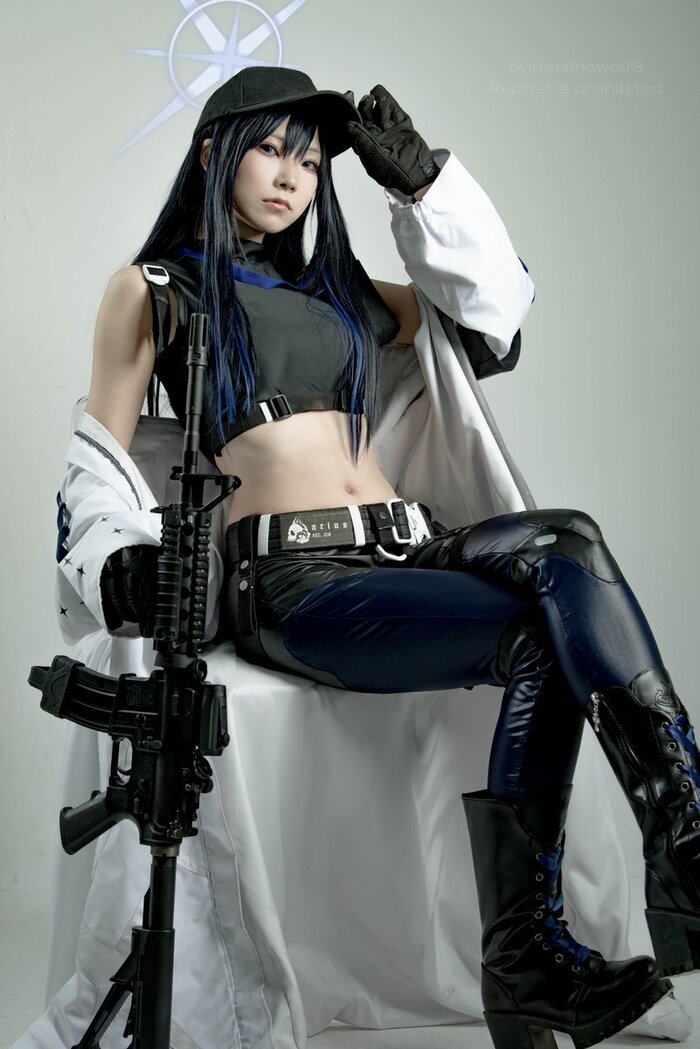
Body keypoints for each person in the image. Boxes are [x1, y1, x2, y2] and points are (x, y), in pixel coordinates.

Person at [76, 65, 700, 1049]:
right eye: (270, 149)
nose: (292, 174)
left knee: (567, 542)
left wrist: (424, 186)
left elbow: (494, 318)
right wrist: (116, 560)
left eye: (309, 160)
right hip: (298, 582)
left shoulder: (345, 294)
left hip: (410, 547)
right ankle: (537, 950)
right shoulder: (156, 290)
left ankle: (666, 843)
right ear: (213, 153)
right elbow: (98, 461)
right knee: (543, 627)